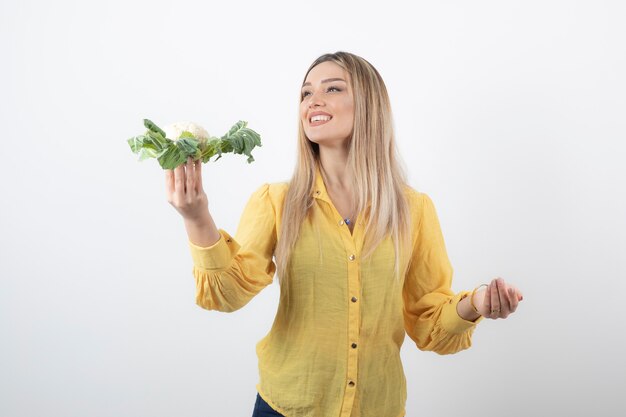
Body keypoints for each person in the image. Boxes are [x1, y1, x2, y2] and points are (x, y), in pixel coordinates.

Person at [164, 51, 524, 417]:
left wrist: (476, 304)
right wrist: (197, 217)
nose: (313, 101)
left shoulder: (412, 210)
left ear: (368, 105)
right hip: (287, 406)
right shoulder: (276, 202)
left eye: (332, 88)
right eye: (306, 93)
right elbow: (227, 295)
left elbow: (429, 322)